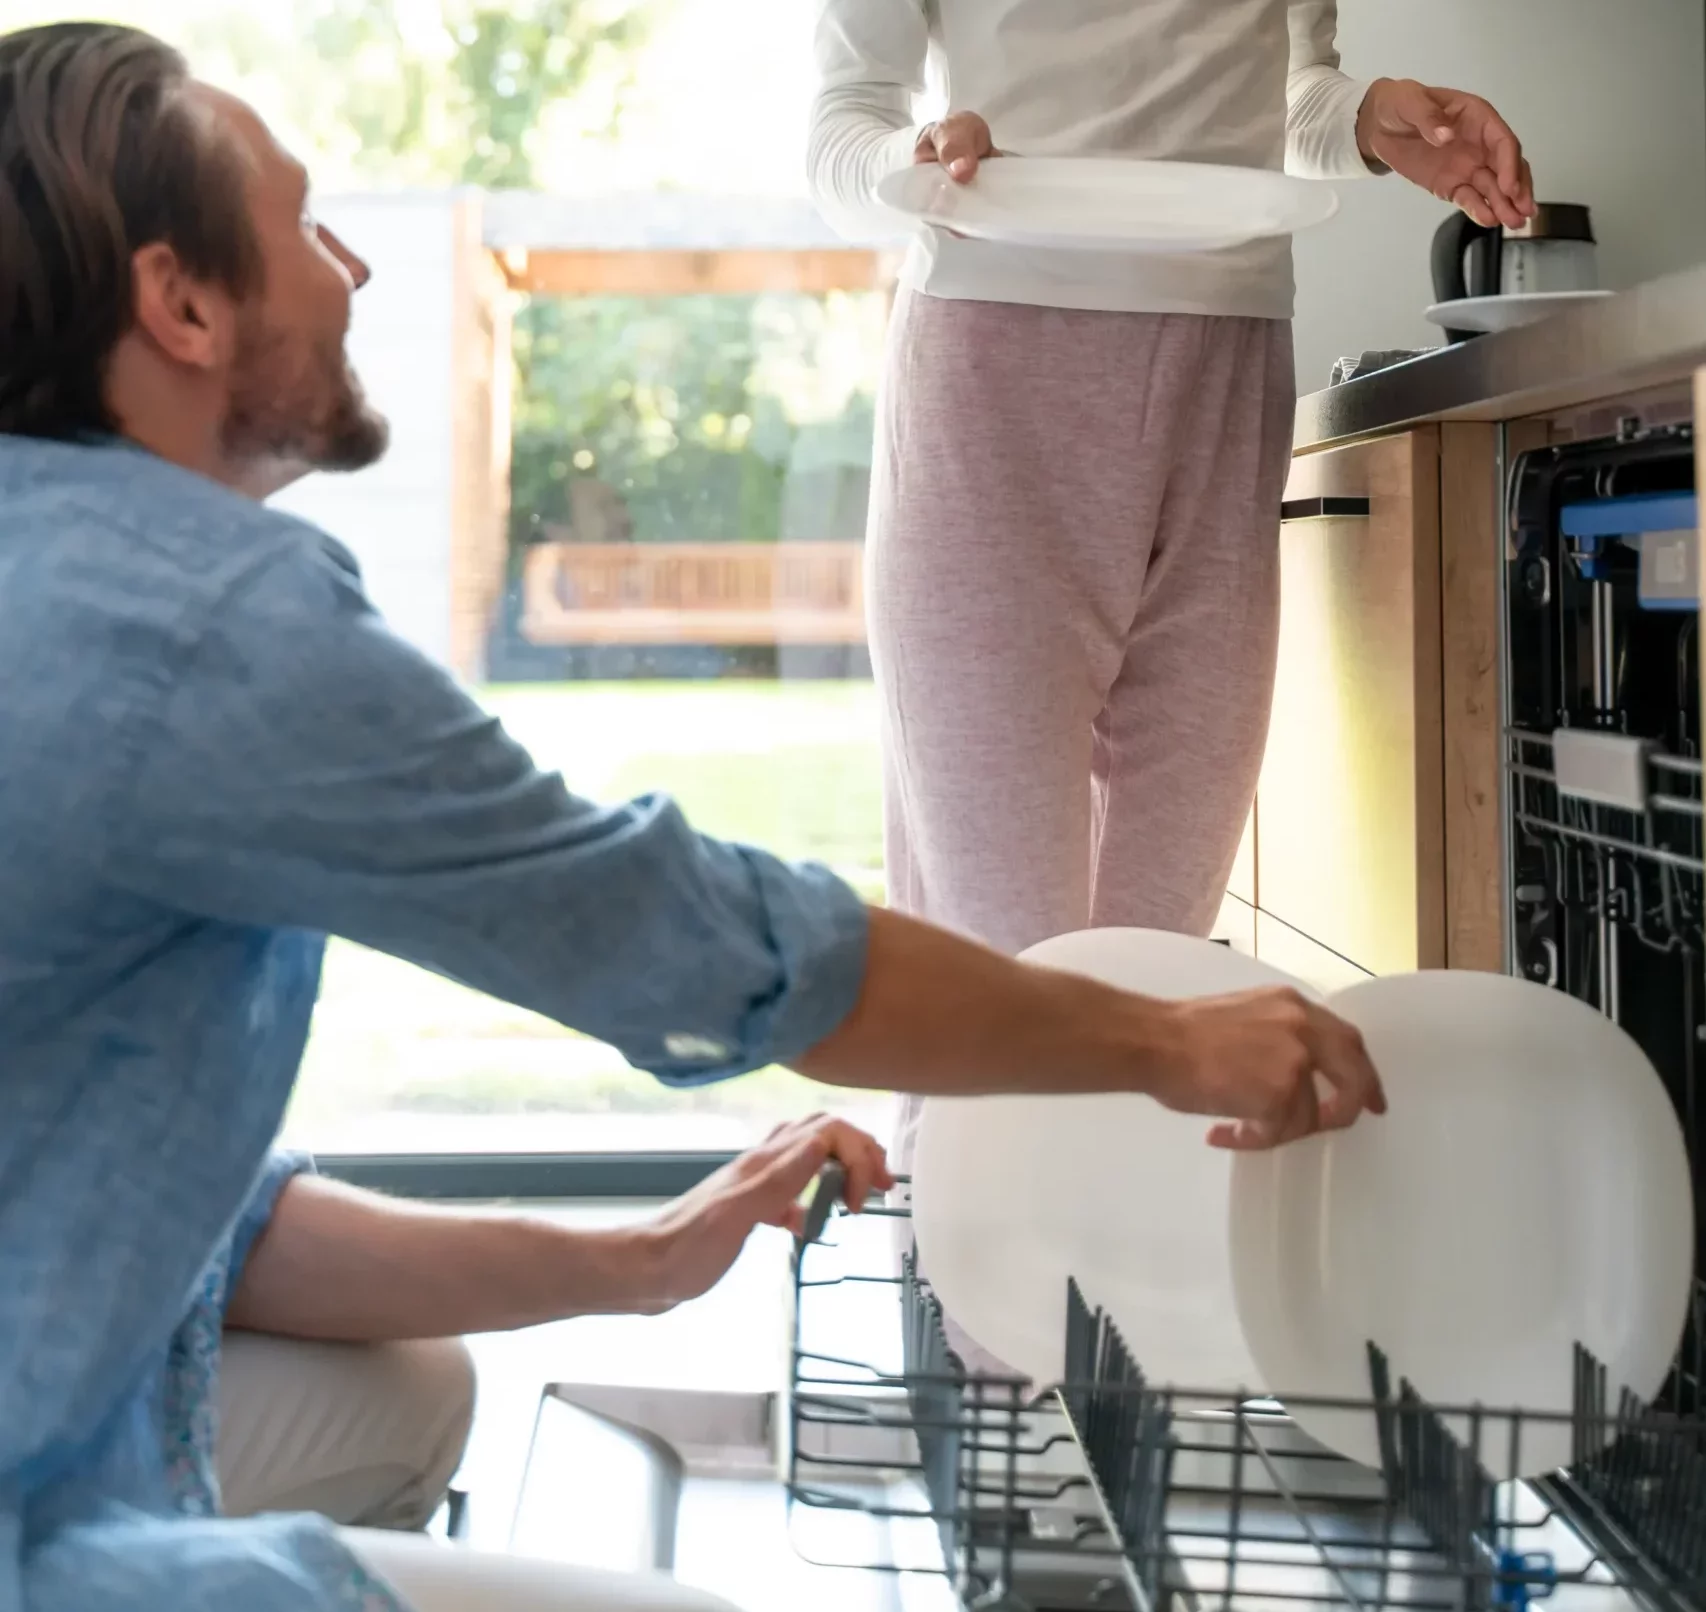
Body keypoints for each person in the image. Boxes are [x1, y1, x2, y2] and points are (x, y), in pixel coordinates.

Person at [0, 21, 1384, 1612]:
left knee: (410, 1391)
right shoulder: (205, 623)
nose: (356, 270)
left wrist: (638, 1264)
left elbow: (212, 1238)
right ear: (180, 303)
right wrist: (1167, 1042)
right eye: (309, 222)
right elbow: (689, 938)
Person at [805, 0, 1532, 1194]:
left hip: (1228, 361)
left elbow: (1278, 96)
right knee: (1003, 957)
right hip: (996, 359)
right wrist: (912, 168)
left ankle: (1128, 1351)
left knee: (1158, 959)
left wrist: (1358, 117)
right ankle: (977, 1352)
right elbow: (842, 128)